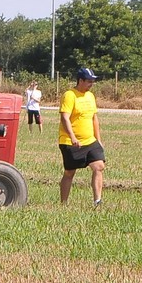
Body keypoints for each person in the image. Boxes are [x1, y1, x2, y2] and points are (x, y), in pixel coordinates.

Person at [59, 68, 105, 206]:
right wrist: (72, 137)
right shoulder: (69, 95)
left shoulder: (90, 96)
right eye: (89, 81)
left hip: (90, 141)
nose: (91, 84)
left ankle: (97, 201)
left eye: (93, 81)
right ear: (80, 80)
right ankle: (63, 203)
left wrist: (98, 139)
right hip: (70, 141)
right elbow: (64, 118)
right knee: (69, 173)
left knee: (99, 166)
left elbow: (94, 118)